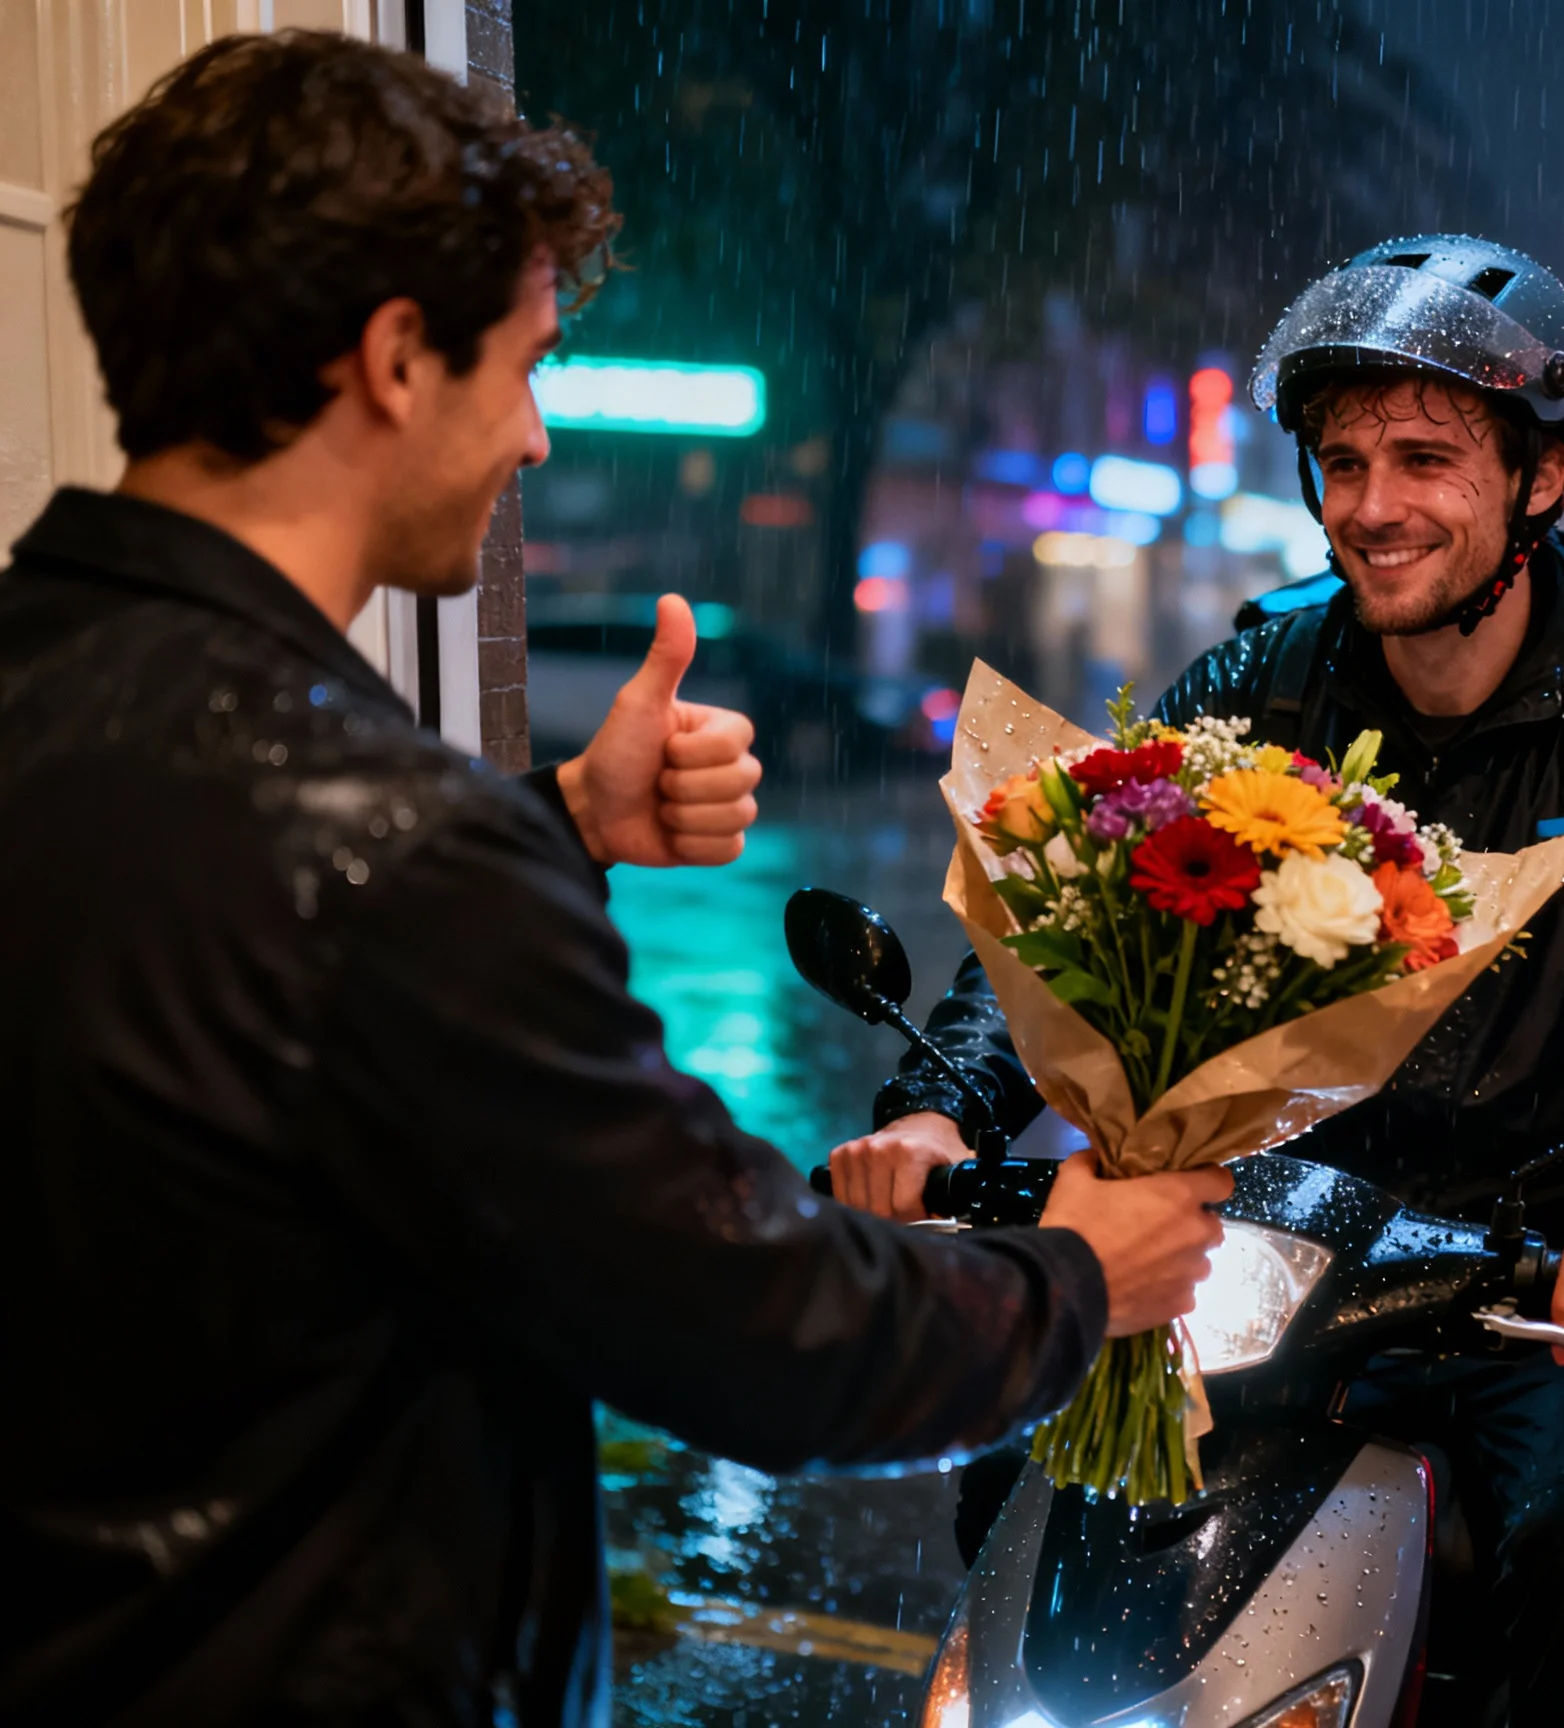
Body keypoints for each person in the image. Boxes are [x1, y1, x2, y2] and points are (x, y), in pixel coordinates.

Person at [0, 31, 1231, 1727]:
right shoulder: (402, 856)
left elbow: (194, 926)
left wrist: (562, 818)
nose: (531, 437)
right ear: (393, 359)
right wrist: (1076, 1278)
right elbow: (762, 1329)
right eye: (522, 366)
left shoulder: (56, 687)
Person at [829, 236, 1564, 1724]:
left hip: (1546, 1275)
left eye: (1425, 460)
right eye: (1343, 462)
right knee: (1024, 1470)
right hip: (1271, 1248)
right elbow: (1069, 918)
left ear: (1542, 478)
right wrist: (940, 1112)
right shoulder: (1261, 683)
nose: (1371, 507)